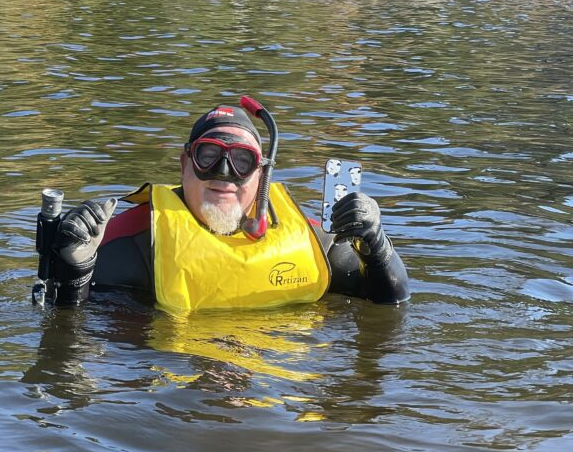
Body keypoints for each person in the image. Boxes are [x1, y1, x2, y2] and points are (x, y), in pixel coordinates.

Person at [34, 101, 409, 312]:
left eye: (242, 161)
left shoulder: (311, 241)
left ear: (261, 176)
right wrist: (73, 273)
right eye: (208, 156)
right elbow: (66, 334)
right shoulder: (131, 242)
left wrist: (378, 248)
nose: (224, 174)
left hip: (271, 400)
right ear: (184, 166)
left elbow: (390, 303)